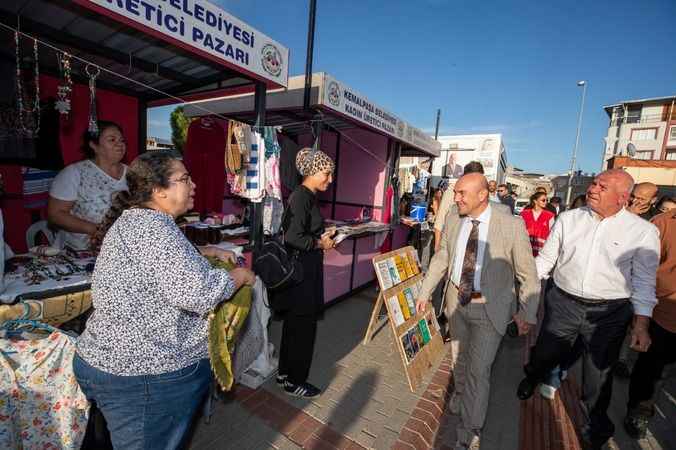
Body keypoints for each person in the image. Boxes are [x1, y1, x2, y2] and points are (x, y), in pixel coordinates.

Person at [72, 152, 256, 449]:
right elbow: (199, 293)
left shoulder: (138, 220)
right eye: (184, 179)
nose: (193, 184)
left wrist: (208, 251)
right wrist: (239, 277)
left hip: (106, 361)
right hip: (143, 373)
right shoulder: (155, 229)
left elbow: (161, 262)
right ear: (158, 190)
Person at [517, 169, 659, 450]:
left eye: (601, 186)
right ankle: (533, 375)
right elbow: (546, 261)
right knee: (546, 352)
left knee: (598, 378)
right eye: (594, 183)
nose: (593, 188)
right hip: (562, 303)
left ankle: (595, 430)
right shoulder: (569, 219)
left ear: (622, 197)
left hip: (609, 315)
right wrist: (524, 299)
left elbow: (644, 282)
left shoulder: (643, 232)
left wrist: (641, 324)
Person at [416, 173, 540, 450]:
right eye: (455, 192)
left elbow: (527, 274)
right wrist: (425, 292)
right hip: (456, 302)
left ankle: (469, 431)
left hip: (490, 309)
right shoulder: (452, 217)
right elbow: (443, 257)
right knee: (459, 359)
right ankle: (460, 394)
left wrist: (527, 312)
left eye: (461, 193)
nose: (455, 198)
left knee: (478, 371)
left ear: (482, 195)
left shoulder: (510, 225)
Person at [274, 148, 336, 399]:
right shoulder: (302, 197)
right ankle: (295, 381)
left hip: (303, 273)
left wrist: (321, 234)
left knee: (294, 327)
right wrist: (321, 243)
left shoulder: (306, 196)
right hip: (302, 276)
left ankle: (285, 375)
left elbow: (301, 232)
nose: (329, 180)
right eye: (326, 173)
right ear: (312, 171)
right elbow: (293, 237)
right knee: (303, 329)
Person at [624, 207, 676, 439]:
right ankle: (640, 411)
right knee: (654, 370)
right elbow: (644, 270)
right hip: (665, 314)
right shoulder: (663, 223)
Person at [48, 121, 129, 251]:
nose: (120, 144)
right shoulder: (75, 173)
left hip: (121, 248)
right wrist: (97, 230)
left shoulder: (133, 174)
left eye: (122, 140)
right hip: (80, 250)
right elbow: (56, 215)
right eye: (112, 140)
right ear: (94, 145)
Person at [434, 162, 510, 252]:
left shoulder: (483, 192)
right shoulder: (452, 190)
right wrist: (437, 247)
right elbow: (440, 220)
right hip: (453, 242)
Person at [520, 191, 556, 257]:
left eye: (547, 200)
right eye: (543, 200)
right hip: (525, 248)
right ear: (535, 201)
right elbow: (518, 230)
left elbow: (552, 234)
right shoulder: (524, 214)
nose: (546, 202)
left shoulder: (550, 216)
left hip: (541, 251)